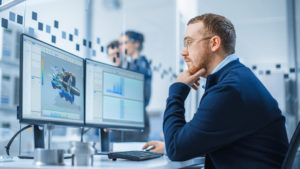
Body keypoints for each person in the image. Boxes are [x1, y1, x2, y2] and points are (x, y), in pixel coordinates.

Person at [144, 13, 288, 168]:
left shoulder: (229, 89)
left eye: (189, 43)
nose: (183, 52)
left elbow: (176, 149)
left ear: (214, 43)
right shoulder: (236, 78)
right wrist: (169, 146)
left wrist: (177, 91)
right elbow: (204, 140)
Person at [110, 30, 152, 142]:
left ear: (136, 44)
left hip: (135, 123)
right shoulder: (131, 65)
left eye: (124, 43)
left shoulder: (141, 65)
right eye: (120, 44)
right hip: (129, 121)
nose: (121, 47)